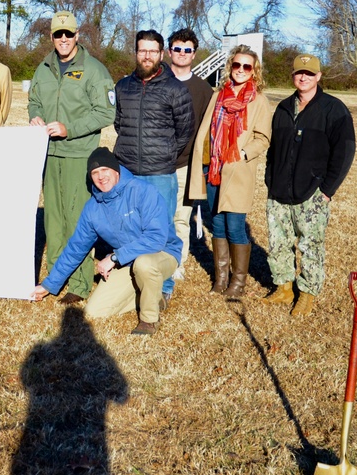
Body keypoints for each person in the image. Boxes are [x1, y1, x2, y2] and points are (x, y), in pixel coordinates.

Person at [31, 148, 180, 336]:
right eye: (95, 173)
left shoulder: (143, 191)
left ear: (116, 170)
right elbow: (76, 248)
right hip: (128, 260)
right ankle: (152, 295)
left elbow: (156, 238)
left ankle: (148, 320)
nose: (101, 177)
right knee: (95, 310)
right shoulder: (93, 208)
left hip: (161, 253)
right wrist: (48, 285)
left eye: (105, 170)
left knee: (144, 264)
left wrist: (115, 257)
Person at [29, 10, 116, 305]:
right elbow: (34, 101)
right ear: (52, 37)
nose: (63, 39)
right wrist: (35, 117)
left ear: (78, 35)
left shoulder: (93, 69)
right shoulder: (43, 68)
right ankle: (55, 277)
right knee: (53, 218)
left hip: (79, 154)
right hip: (49, 154)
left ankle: (79, 283)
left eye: (69, 34)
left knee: (78, 220)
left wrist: (70, 129)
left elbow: (106, 112)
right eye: (58, 34)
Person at [263, 54, 356, 316]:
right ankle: (283, 288)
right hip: (279, 190)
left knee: (310, 244)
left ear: (318, 76)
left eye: (309, 73)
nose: (303, 77)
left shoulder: (333, 109)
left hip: (312, 193)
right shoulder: (282, 108)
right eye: (298, 73)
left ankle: (307, 292)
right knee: (278, 242)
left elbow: (345, 152)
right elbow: (274, 149)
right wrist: (270, 179)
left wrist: (327, 190)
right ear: (293, 75)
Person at [113, 29, 194, 306]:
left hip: (160, 172)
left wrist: (165, 153)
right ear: (136, 52)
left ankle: (165, 285)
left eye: (152, 51)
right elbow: (118, 124)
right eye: (141, 50)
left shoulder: (175, 89)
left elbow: (184, 132)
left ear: (161, 54)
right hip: (127, 170)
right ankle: (132, 278)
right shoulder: (123, 86)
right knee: (128, 224)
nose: (146, 56)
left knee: (163, 228)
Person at [188, 44, 272, 298]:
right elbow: (206, 131)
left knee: (235, 226)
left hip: (238, 171)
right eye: (237, 65)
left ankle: (238, 282)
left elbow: (263, 137)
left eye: (247, 66)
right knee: (217, 224)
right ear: (230, 67)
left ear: (254, 71)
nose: (241, 70)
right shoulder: (218, 95)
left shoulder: (259, 100)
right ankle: (221, 277)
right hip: (214, 169)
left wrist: (243, 154)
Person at [166, 28, 214, 283]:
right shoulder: (157, 78)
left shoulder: (203, 89)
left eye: (187, 50)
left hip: (185, 164)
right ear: (168, 51)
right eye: (177, 48)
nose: (182, 54)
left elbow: (207, 131)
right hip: (153, 163)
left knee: (180, 218)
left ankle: (176, 263)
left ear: (194, 54)